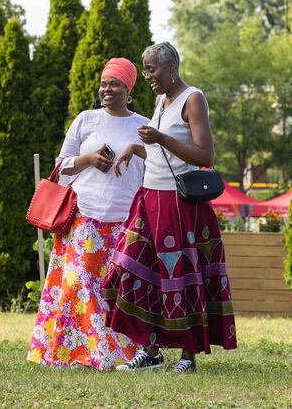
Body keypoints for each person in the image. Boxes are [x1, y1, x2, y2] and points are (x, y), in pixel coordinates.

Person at [102, 42, 237, 373]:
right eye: (145, 70)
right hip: (150, 198)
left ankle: (188, 356)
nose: (147, 76)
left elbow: (204, 155)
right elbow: (162, 154)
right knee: (136, 269)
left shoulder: (193, 98)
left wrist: (159, 138)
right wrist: (136, 148)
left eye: (152, 70)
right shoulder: (161, 100)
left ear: (171, 67)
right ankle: (151, 350)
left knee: (181, 276)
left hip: (178, 204)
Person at [27, 58, 149, 370]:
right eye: (103, 84)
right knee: (81, 284)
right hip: (85, 215)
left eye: (115, 84)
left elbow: (157, 167)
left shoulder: (144, 126)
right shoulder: (86, 120)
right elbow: (61, 165)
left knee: (116, 288)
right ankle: (80, 352)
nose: (107, 89)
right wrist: (90, 159)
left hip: (126, 218)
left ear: (129, 90)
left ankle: (118, 352)